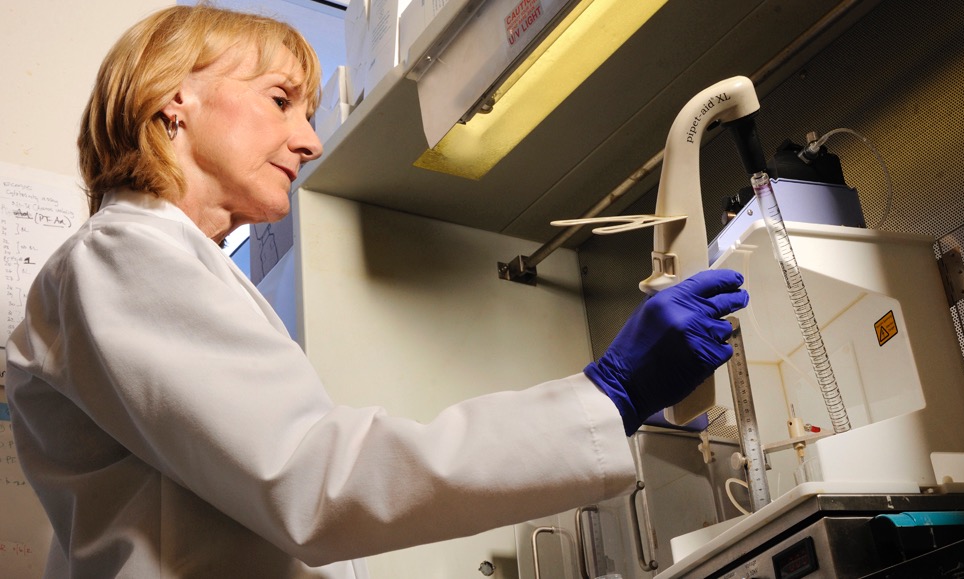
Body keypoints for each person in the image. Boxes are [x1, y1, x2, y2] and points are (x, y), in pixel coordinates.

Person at [4, 5, 748, 578]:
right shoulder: (123, 257)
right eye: (281, 100)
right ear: (175, 100)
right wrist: (606, 394)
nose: (311, 139)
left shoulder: (154, 266)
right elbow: (315, 480)